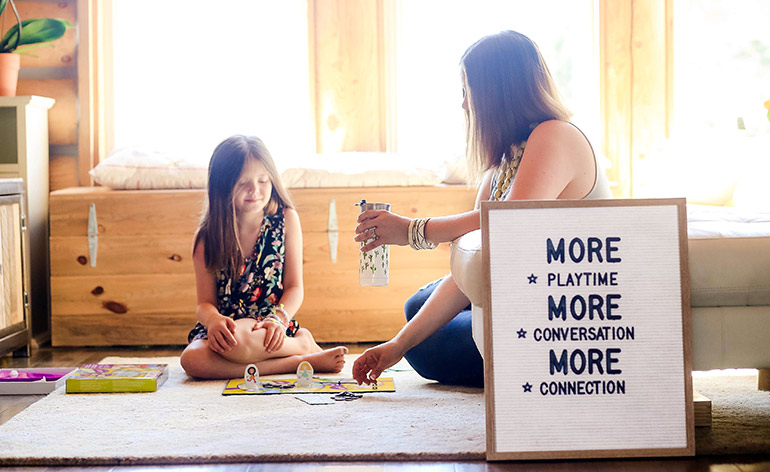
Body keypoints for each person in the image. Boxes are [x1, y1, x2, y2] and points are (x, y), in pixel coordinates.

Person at [352, 30, 612, 387]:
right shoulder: (504, 162)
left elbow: (502, 223)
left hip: (559, 309)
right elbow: (473, 266)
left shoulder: (555, 135)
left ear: (496, 92)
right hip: (514, 293)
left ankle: (521, 366)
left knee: (426, 328)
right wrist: (396, 346)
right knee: (417, 307)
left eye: (467, 92)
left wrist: (411, 231)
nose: (463, 105)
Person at [180, 135, 347, 379]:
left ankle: (296, 345)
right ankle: (298, 358)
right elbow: (204, 303)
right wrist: (214, 320)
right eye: (243, 183)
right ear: (223, 185)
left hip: (269, 325)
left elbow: (295, 287)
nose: (255, 191)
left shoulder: (286, 220)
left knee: (244, 338)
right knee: (191, 358)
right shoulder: (206, 237)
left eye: (263, 180)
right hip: (226, 330)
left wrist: (279, 318)